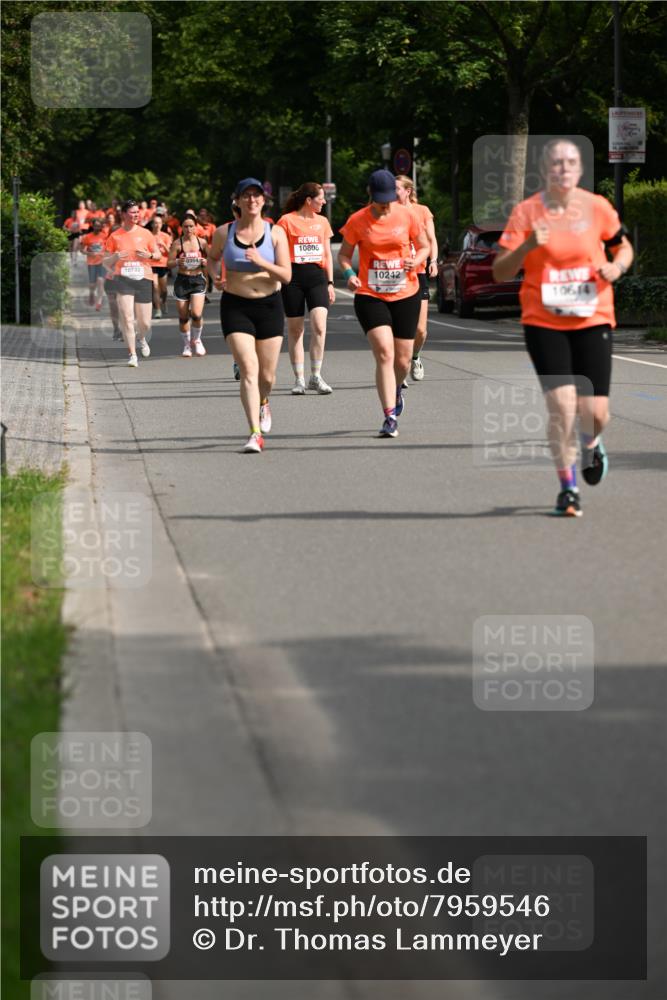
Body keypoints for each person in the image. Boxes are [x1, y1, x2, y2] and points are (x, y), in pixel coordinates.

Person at [493, 138, 633, 517]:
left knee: (595, 412)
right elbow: (500, 269)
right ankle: (568, 488)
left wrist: (616, 267)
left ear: (580, 169)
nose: (564, 168)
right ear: (544, 170)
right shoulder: (526, 212)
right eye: (556, 163)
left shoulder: (597, 207)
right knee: (562, 407)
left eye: (571, 162)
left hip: (593, 316)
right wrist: (525, 250)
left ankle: (591, 443)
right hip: (544, 320)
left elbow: (623, 247)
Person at [338, 169, 429, 438]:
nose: (385, 205)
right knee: (385, 354)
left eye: (389, 199)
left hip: (406, 292)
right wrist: (349, 274)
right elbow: (344, 255)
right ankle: (389, 416)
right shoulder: (357, 221)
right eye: (380, 200)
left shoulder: (408, 215)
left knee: (402, 361)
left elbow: (423, 246)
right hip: (370, 294)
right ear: (371, 195)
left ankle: (397, 388)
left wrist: (417, 259)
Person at [207, 178, 291, 453]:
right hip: (236, 305)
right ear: (238, 201)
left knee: (268, 377)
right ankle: (254, 433)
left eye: (257, 196)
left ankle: (264, 401)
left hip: (269, 305)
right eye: (247, 196)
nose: (252, 200)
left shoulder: (275, 233)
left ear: (263, 201)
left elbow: (286, 275)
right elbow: (212, 259)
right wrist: (215, 279)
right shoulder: (224, 232)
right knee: (249, 369)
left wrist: (262, 262)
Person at [277, 182, 335, 394]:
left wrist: (330, 282)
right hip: (293, 278)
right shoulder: (286, 221)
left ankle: (316, 376)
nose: (324, 201)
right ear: (309, 200)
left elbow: (327, 254)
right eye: (321, 198)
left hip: (317, 277)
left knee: (319, 326)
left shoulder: (322, 222)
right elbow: (278, 250)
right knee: (296, 329)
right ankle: (299, 379)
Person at [103, 199, 160, 367]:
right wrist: (115, 257)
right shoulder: (115, 236)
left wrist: (148, 256)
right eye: (132, 212)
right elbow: (105, 262)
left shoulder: (146, 234)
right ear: (123, 215)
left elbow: (157, 255)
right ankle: (132, 354)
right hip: (123, 278)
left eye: (137, 212)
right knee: (127, 317)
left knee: (145, 323)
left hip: (143, 278)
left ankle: (141, 337)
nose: (136, 215)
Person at [395, 175, 438, 381]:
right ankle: (400, 367)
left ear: (408, 191)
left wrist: (433, 261)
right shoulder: (389, 210)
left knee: (420, 330)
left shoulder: (422, 211)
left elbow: (431, 239)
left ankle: (415, 356)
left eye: (397, 189)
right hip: (396, 275)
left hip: (418, 273)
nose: (393, 193)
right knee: (400, 326)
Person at [168, 212, 208, 357]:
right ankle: (186, 345)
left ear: (196, 227)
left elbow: (212, 259)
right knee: (184, 317)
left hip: (197, 279)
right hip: (182, 281)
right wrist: (178, 261)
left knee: (196, 314)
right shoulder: (177, 244)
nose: (188, 229)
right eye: (185, 227)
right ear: (181, 228)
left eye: (191, 226)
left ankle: (197, 340)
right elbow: (169, 263)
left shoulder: (201, 243)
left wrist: (205, 262)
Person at [146, 214, 172, 318]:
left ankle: (164, 301)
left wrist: (163, 245)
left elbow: (170, 253)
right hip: (151, 264)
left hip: (162, 264)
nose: (157, 225)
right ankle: (157, 309)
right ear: (152, 224)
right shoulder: (148, 236)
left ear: (162, 224)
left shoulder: (166, 236)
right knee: (155, 287)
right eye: (155, 223)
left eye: (159, 223)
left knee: (164, 290)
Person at [79, 217, 107, 310]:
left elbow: (108, 248)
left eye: (98, 226)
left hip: (102, 262)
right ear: (92, 226)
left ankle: (99, 302)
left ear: (101, 227)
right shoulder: (87, 237)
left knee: (100, 281)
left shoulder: (104, 236)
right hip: (91, 263)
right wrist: (90, 253)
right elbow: (82, 250)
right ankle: (91, 293)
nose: (97, 227)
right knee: (92, 284)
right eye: (95, 225)